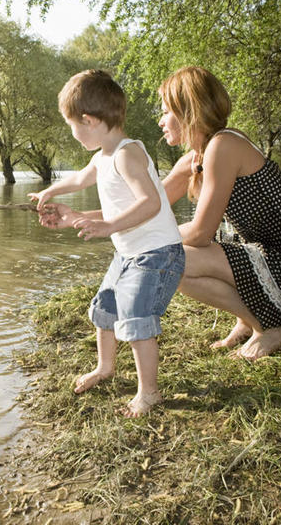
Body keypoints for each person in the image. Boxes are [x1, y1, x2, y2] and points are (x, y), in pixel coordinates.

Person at [30, 70, 185, 417]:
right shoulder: (102, 156)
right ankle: (105, 367)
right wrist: (53, 195)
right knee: (106, 308)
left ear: (89, 120)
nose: (74, 134)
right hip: (129, 253)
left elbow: (150, 203)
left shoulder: (127, 154)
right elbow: (82, 179)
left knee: (137, 317)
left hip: (156, 254)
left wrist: (108, 226)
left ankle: (149, 393)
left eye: (73, 126)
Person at [157, 66, 281, 360]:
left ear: (189, 110)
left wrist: (149, 240)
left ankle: (269, 326)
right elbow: (151, 204)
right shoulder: (197, 157)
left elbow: (200, 234)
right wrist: (89, 218)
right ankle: (247, 322)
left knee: (169, 258)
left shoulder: (224, 146)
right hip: (276, 256)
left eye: (165, 112)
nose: (161, 122)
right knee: (168, 259)